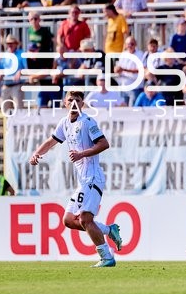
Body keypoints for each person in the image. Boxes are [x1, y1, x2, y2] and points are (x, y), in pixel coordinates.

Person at [29, 91, 122, 267]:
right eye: (70, 99)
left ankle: (107, 257)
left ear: (82, 104)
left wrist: (81, 154)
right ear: (65, 102)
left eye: (77, 100)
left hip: (92, 178)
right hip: (82, 181)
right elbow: (50, 142)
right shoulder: (64, 123)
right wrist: (36, 154)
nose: (73, 103)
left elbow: (104, 144)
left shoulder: (87, 122)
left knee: (86, 219)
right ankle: (109, 230)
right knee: (69, 220)